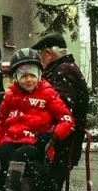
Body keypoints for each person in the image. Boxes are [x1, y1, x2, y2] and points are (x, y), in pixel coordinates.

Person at [0, 49, 75, 191]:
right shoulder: (10, 96)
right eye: (23, 76)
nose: (28, 80)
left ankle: (11, 190)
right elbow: (0, 122)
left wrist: (53, 135)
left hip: (35, 143)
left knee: (20, 155)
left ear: (39, 76)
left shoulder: (48, 94)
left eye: (32, 76)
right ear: (16, 78)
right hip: (12, 140)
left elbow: (67, 120)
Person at [32, 31, 89, 178]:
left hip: (60, 145)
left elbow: (61, 107)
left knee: (44, 184)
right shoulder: (62, 70)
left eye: (41, 54)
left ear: (49, 53)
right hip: (60, 143)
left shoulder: (63, 71)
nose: (40, 59)